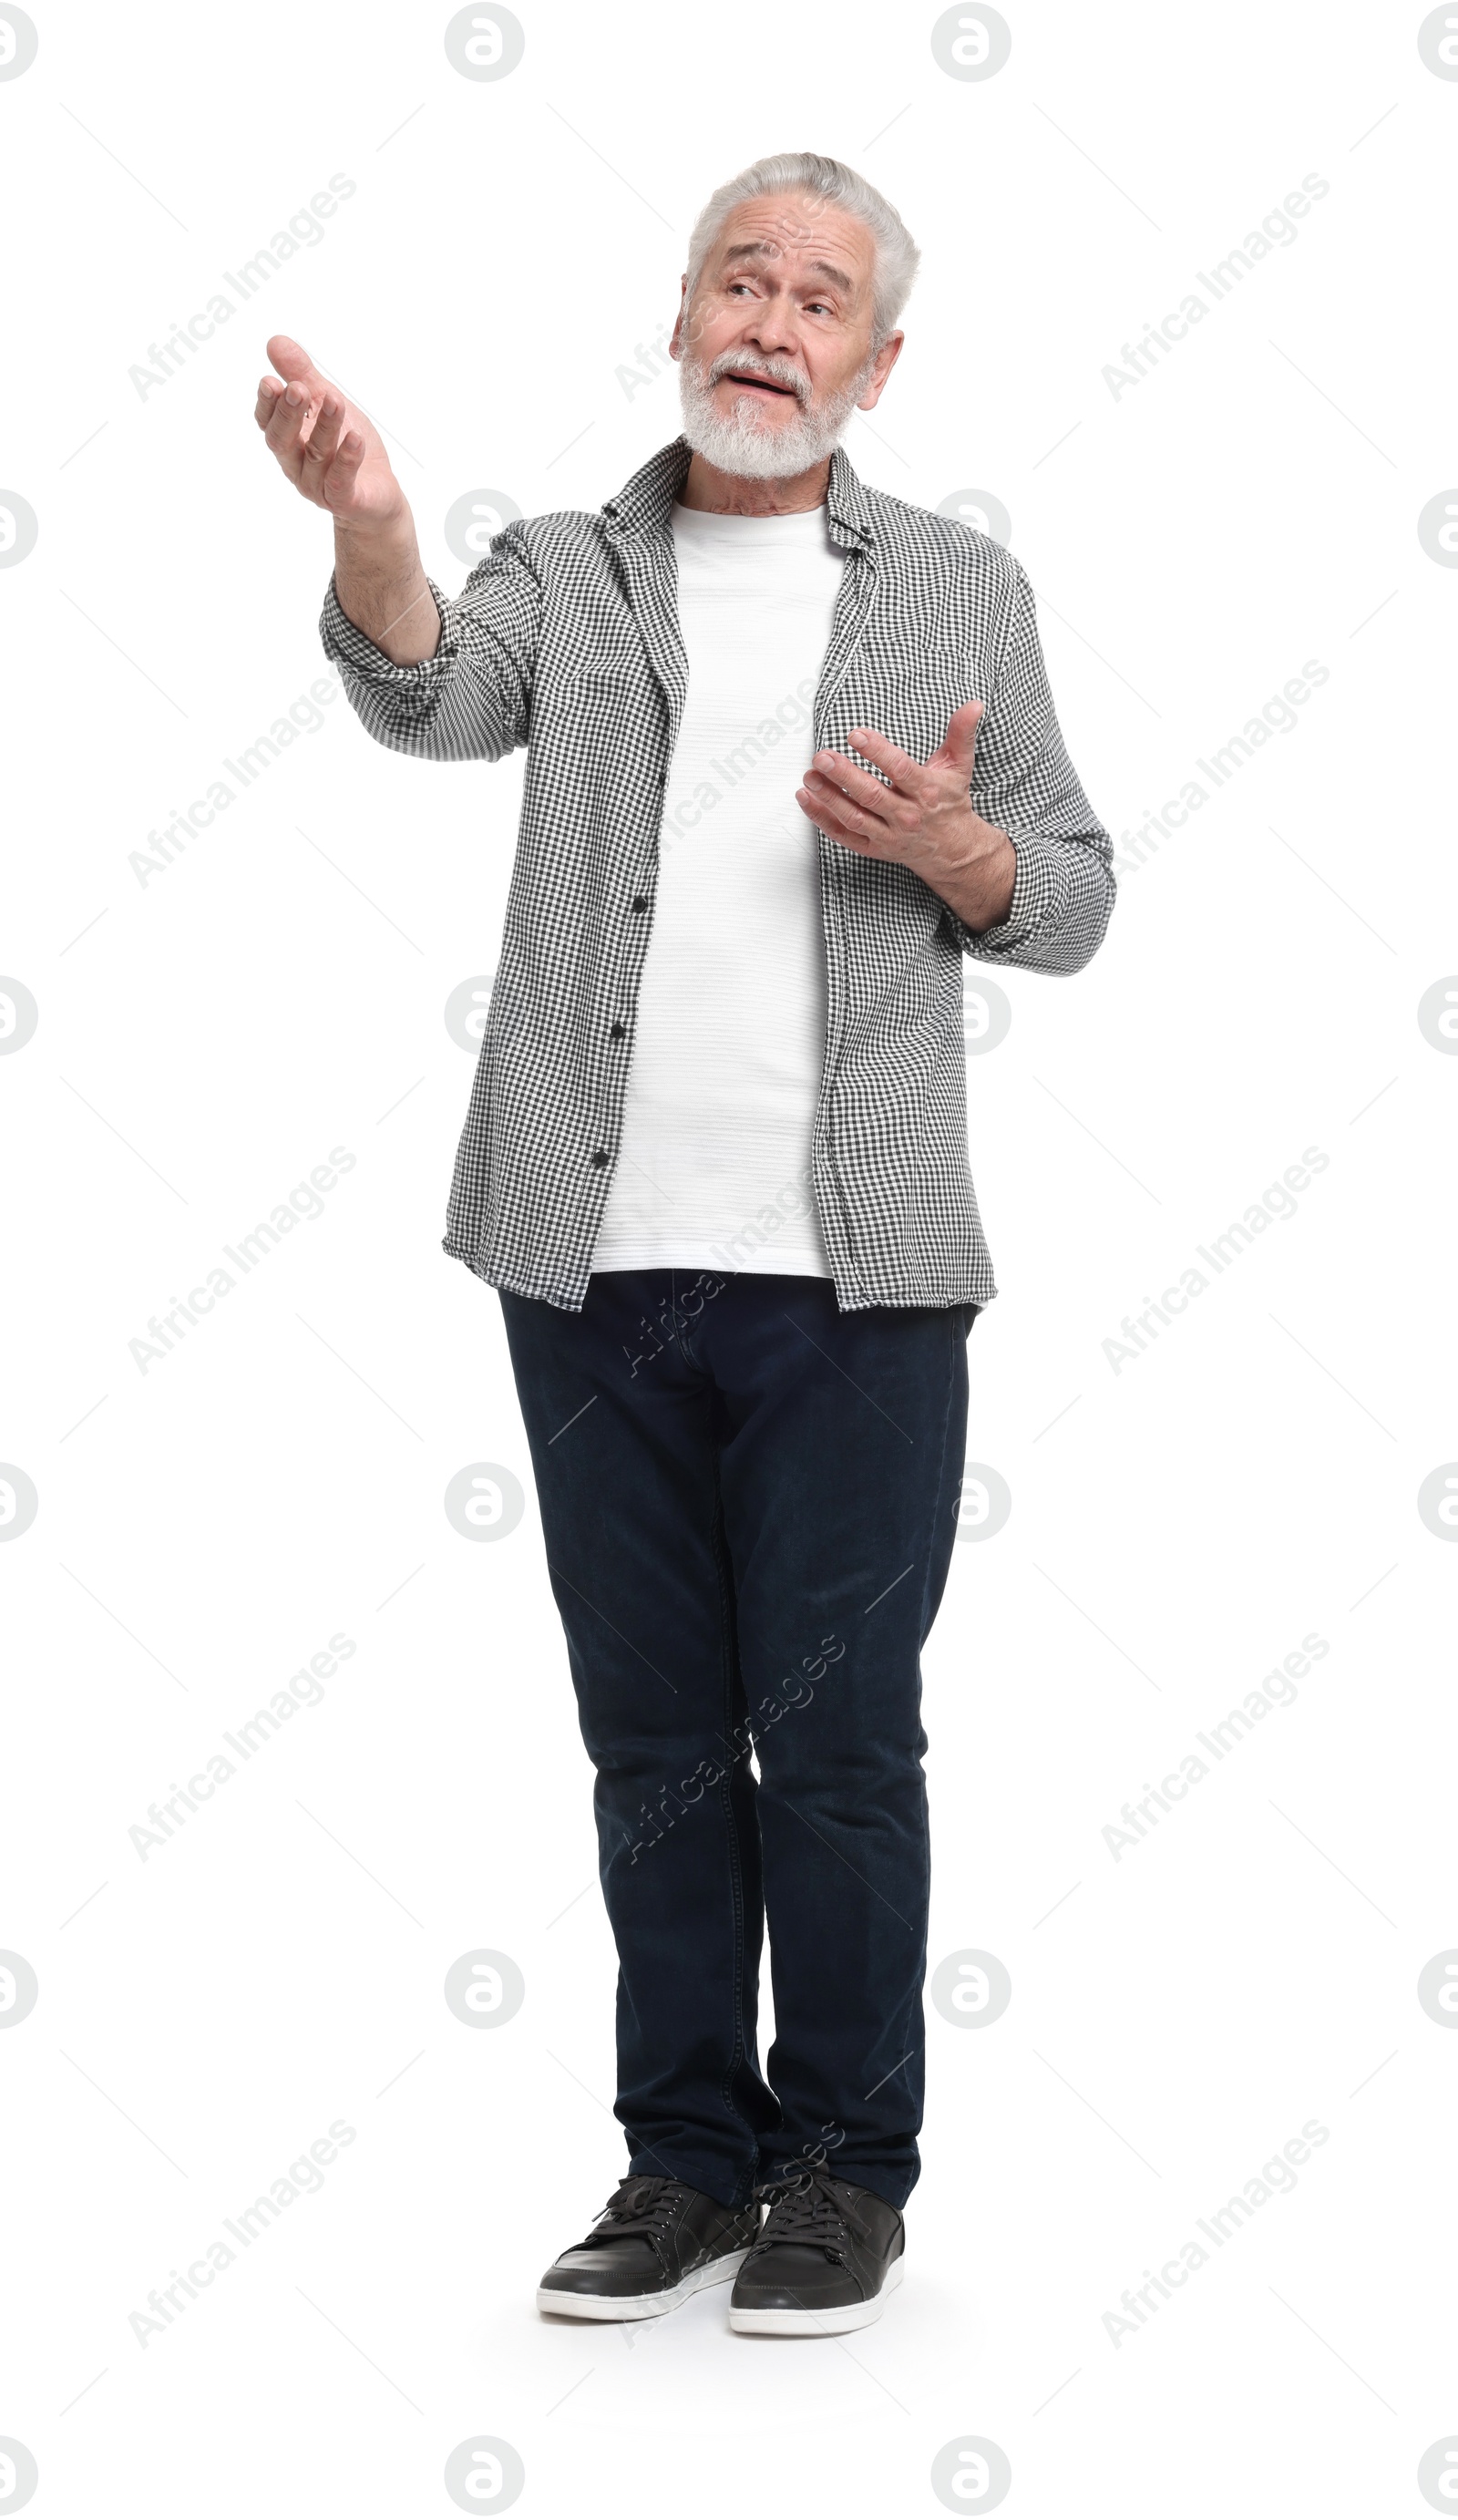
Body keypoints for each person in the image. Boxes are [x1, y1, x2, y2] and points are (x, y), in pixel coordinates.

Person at [254, 149, 1114, 2339]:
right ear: (678, 311)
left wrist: (959, 848)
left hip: (859, 1277)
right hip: (590, 1256)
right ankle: (680, 2161)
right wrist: (368, 528)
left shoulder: (951, 591)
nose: (769, 320)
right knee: (648, 1734)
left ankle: (841, 2170)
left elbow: (1079, 896)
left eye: (818, 298)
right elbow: (431, 697)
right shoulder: (570, 566)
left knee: (832, 1743)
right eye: (740, 277)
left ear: (876, 360)